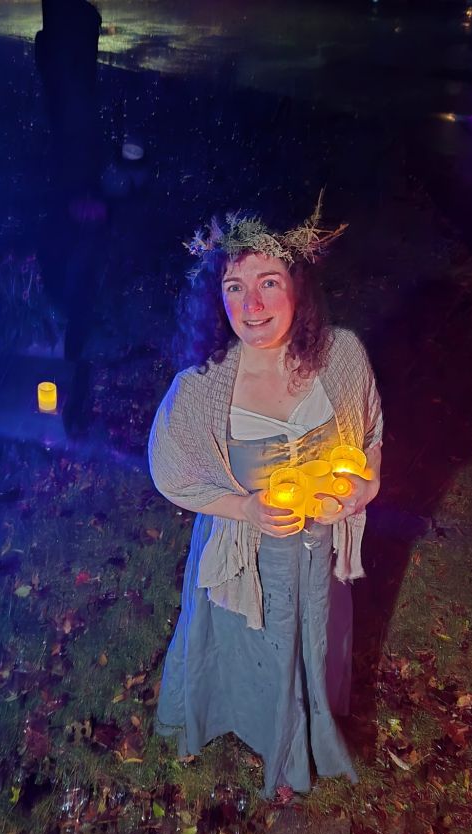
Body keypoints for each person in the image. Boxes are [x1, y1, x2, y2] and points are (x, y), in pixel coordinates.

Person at [148, 199, 383, 799]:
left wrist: (367, 483)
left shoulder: (344, 357)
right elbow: (174, 472)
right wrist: (246, 508)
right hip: (247, 562)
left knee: (314, 634)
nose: (251, 306)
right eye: (234, 287)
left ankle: (312, 723)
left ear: (298, 286)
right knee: (250, 646)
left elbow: (372, 432)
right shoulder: (202, 388)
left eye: (268, 283)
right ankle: (257, 725)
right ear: (217, 296)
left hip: (320, 552)